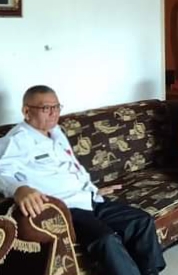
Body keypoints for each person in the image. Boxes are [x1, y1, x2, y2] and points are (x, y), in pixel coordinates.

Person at [0, 86, 165, 275]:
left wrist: (92, 188)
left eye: (56, 107)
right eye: (46, 108)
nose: (54, 113)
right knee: (106, 239)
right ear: (26, 111)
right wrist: (18, 189)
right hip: (67, 208)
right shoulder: (17, 140)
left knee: (141, 222)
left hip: (89, 198)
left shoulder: (56, 132)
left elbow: (73, 167)